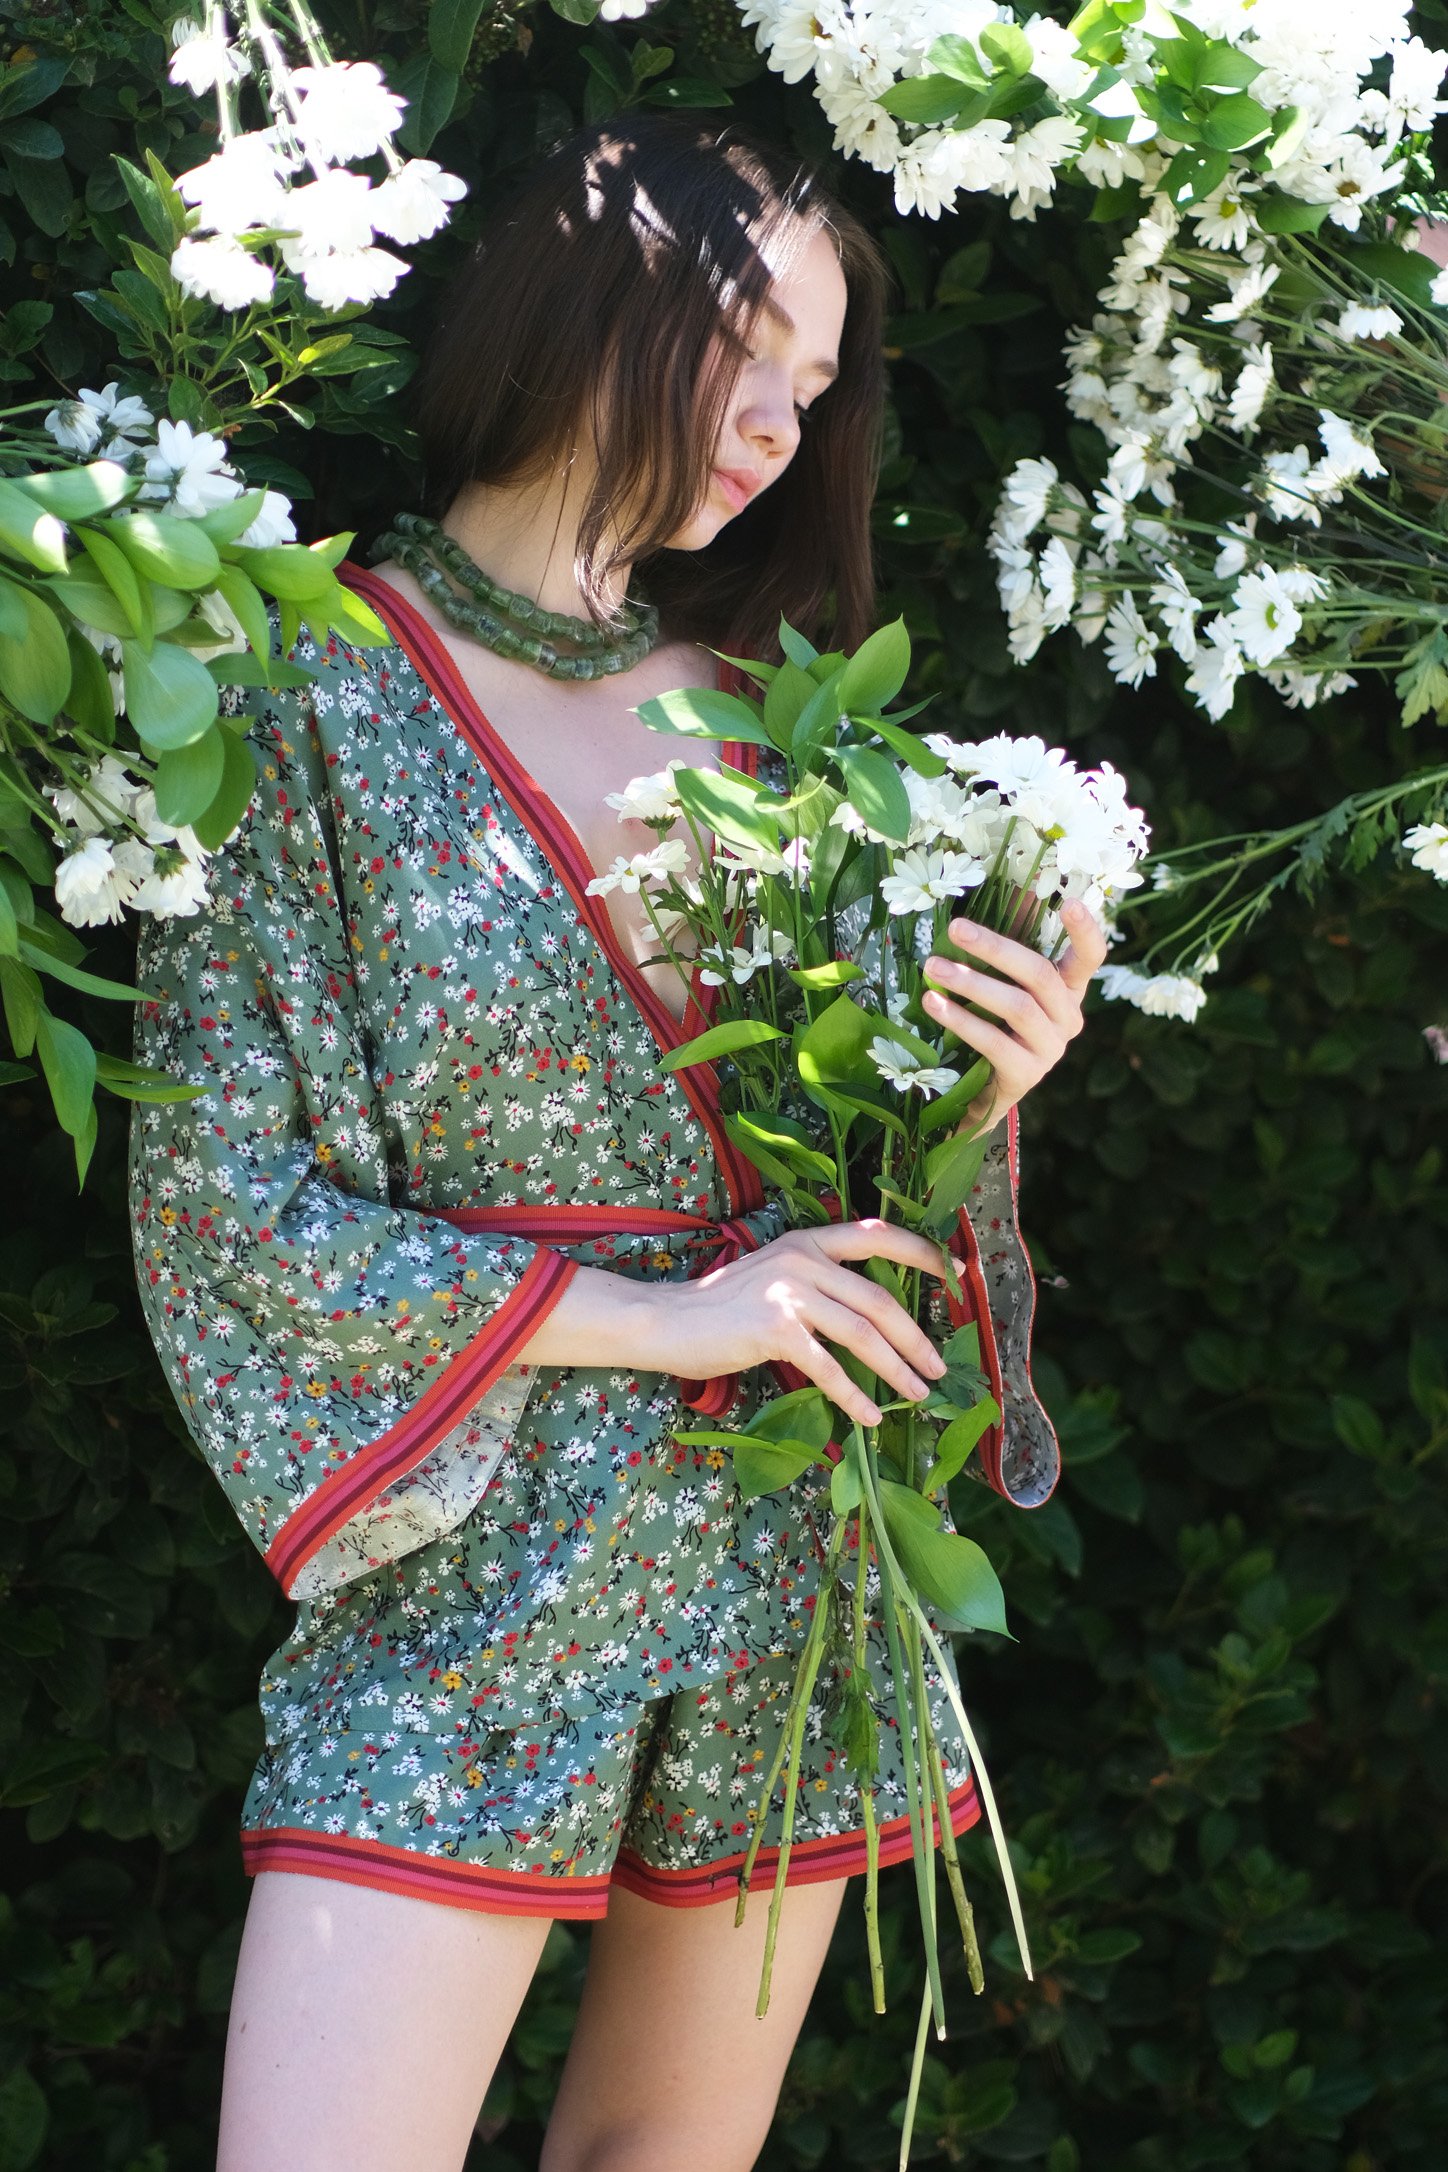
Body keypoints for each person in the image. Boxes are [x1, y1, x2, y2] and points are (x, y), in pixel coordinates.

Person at [128, 113, 1107, 2172]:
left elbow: (854, 1193)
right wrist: (666, 1321)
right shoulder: (295, 686)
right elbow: (218, 1203)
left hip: (789, 1559)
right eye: (750, 347)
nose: (775, 423)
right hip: (470, 1569)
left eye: (816, 389)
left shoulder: (782, 718)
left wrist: (983, 1090)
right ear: (590, 295)